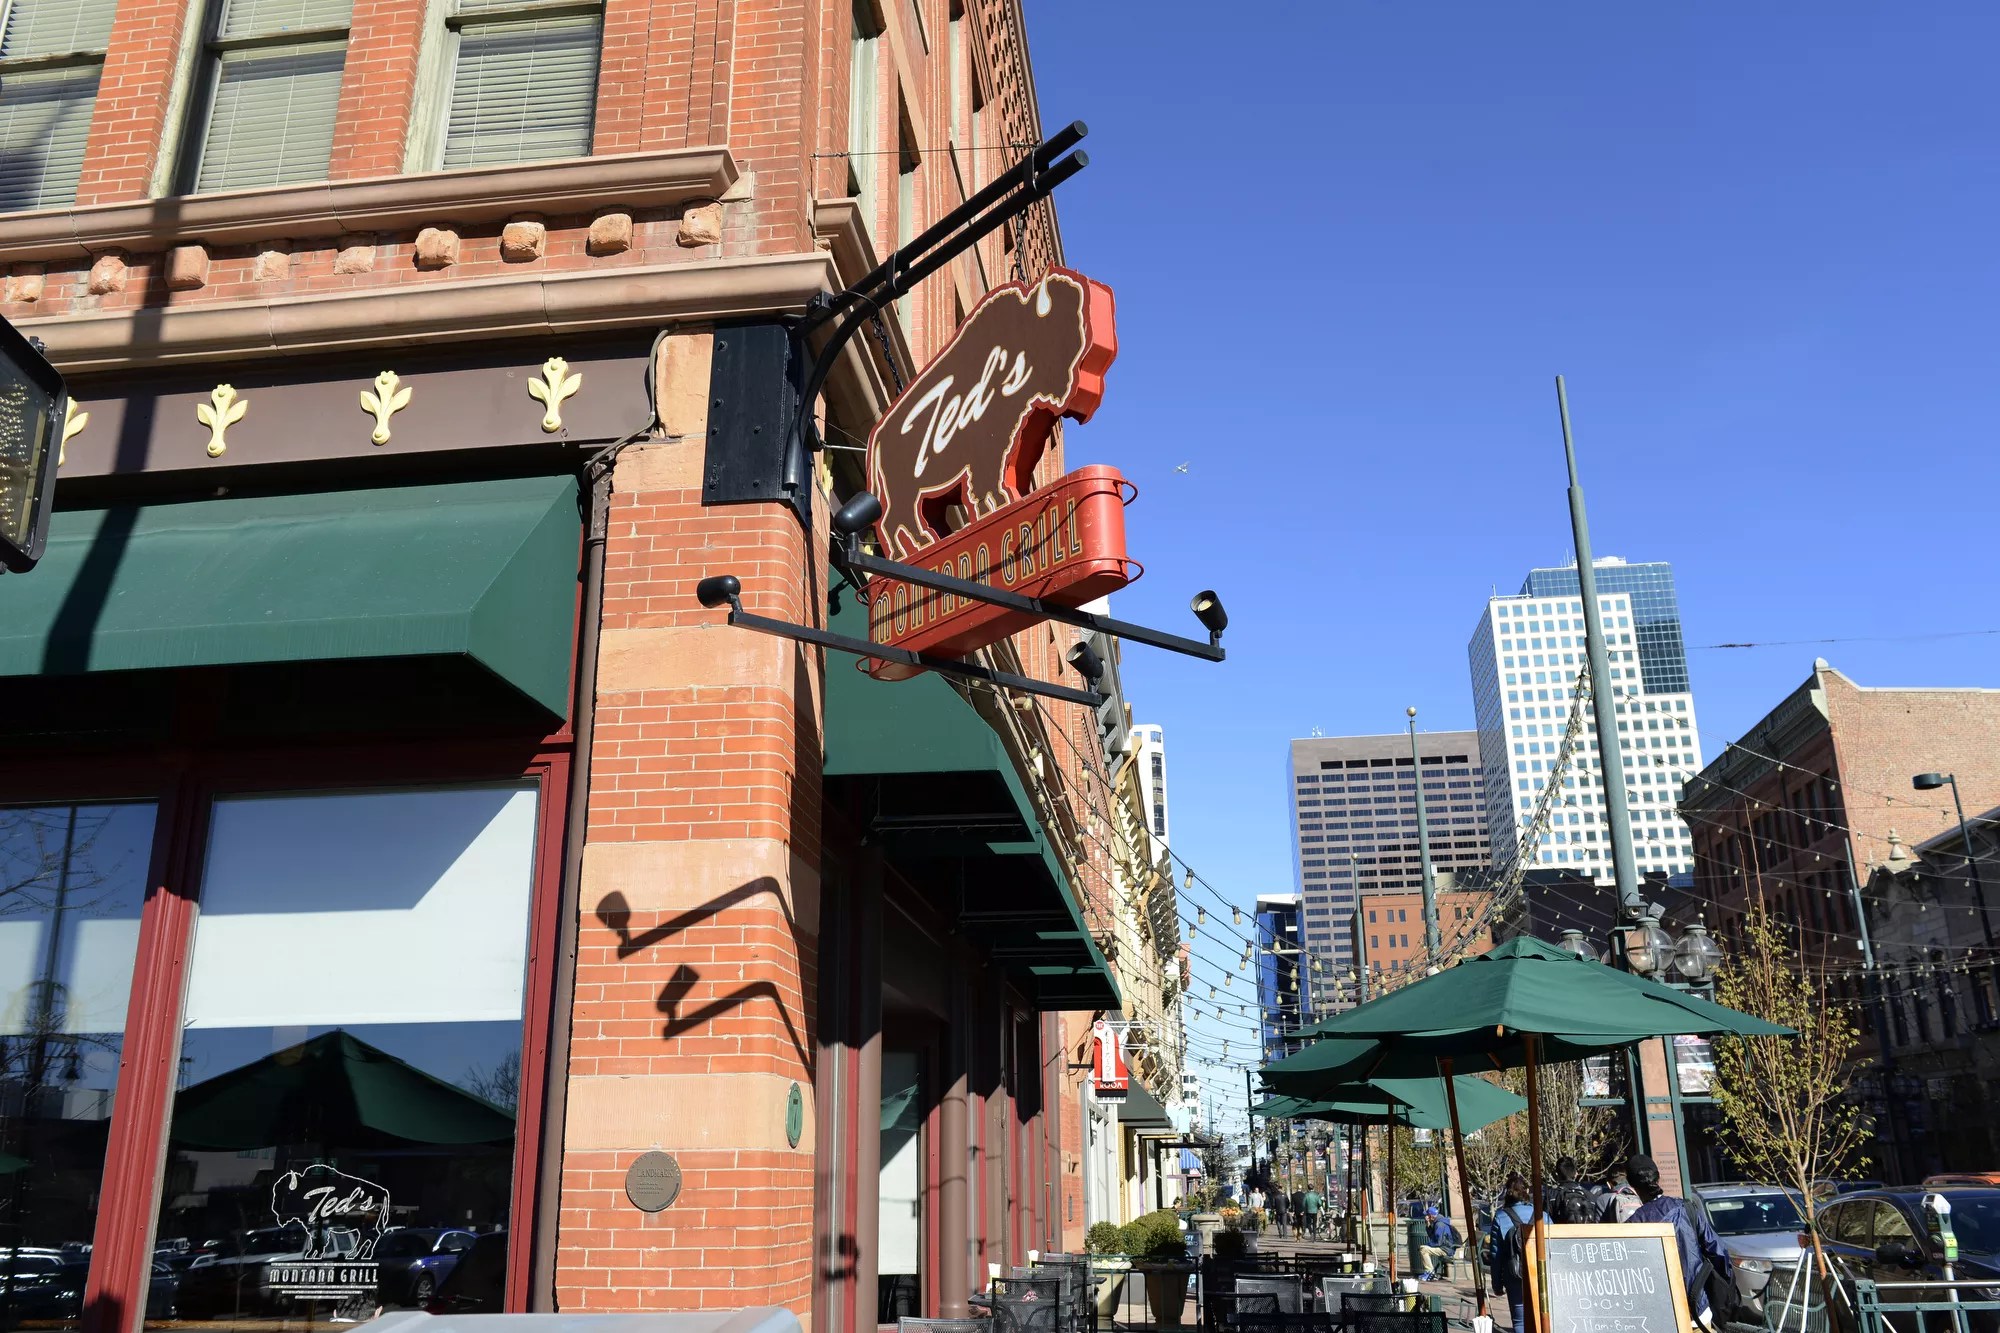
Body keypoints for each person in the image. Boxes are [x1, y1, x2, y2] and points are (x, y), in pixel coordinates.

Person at [1623, 1154, 1734, 1329]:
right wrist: (1726, 1289)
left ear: (1632, 1185)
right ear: (1658, 1177)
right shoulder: (1686, 1208)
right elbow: (1717, 1251)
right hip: (1697, 1306)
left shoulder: (1633, 1224)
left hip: (1660, 1315)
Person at [1484, 1173, 1537, 1333]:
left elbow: (1496, 1255)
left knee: (1520, 1321)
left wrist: (1497, 1284)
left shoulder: (1501, 1217)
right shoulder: (1542, 1215)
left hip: (1514, 1274)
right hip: (1540, 1274)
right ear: (1526, 1192)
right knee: (1542, 1317)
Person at [1417, 1206, 1460, 1282]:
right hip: (1445, 1247)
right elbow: (1432, 1236)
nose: (1426, 1217)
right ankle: (1430, 1272)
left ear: (1431, 1216)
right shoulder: (1438, 1221)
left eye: (1427, 1215)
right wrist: (1428, 1224)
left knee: (1424, 1249)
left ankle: (1430, 1272)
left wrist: (1428, 1245)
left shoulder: (1439, 1224)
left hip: (1446, 1249)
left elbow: (1438, 1242)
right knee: (1424, 1248)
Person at [1550, 1155, 1597, 1225]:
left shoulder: (1551, 1195)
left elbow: (1546, 1221)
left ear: (1556, 1174)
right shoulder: (1590, 1196)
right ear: (1576, 1174)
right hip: (1586, 1231)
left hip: (1561, 1231)